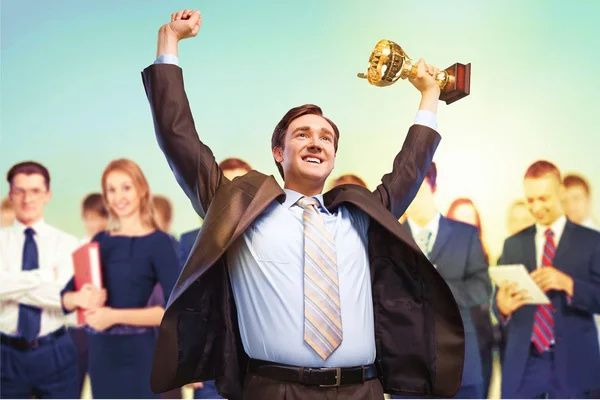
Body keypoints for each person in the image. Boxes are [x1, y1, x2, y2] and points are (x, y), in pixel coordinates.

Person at [142, 9, 464, 400]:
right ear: (278, 152)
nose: (316, 141)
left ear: (332, 156)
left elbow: (409, 170)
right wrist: (169, 42)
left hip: (362, 390)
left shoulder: (359, 217)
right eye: (302, 134)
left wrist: (429, 94)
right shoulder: (239, 209)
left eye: (326, 137)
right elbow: (180, 141)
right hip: (273, 389)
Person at [61, 159, 180, 399]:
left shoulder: (160, 242)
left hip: (141, 353)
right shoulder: (100, 242)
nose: (119, 197)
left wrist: (112, 316)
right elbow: (65, 299)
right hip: (101, 354)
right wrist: (80, 297)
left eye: (126, 187)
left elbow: (173, 312)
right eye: (111, 190)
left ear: (141, 189)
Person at [494, 160, 600, 398]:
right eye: (531, 200)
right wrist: (502, 307)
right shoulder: (513, 244)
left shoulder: (592, 241)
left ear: (561, 191)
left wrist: (569, 284)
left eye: (544, 198)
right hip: (525, 364)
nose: (537, 207)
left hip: (575, 363)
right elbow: (497, 301)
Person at [394, 164, 491, 399]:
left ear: (433, 186)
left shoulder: (465, 235)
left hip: (460, 367)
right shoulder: (388, 237)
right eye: (407, 189)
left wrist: (440, 289)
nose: (413, 196)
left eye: (420, 187)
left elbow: (483, 287)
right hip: (408, 370)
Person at [0, 161, 80, 398]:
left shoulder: (67, 243)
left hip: (55, 351)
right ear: (10, 195)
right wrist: (45, 276)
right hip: (6, 354)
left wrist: (10, 284)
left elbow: (61, 297)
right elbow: (55, 293)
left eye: (35, 191)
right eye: (20, 191)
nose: (27, 199)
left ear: (48, 195)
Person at [178, 157, 252, 400]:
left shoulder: (270, 237)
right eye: (225, 187)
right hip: (210, 367)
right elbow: (183, 306)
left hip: (261, 367)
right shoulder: (189, 242)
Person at [446, 197, 494, 399]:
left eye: (471, 219)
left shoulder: (487, 258)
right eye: (460, 220)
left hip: (483, 345)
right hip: (451, 347)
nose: (466, 225)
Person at [66, 192, 109, 397]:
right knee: (72, 386)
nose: (95, 224)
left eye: (100, 217)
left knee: (105, 387)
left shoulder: (113, 247)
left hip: (106, 327)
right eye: (90, 218)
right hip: (79, 329)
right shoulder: (74, 249)